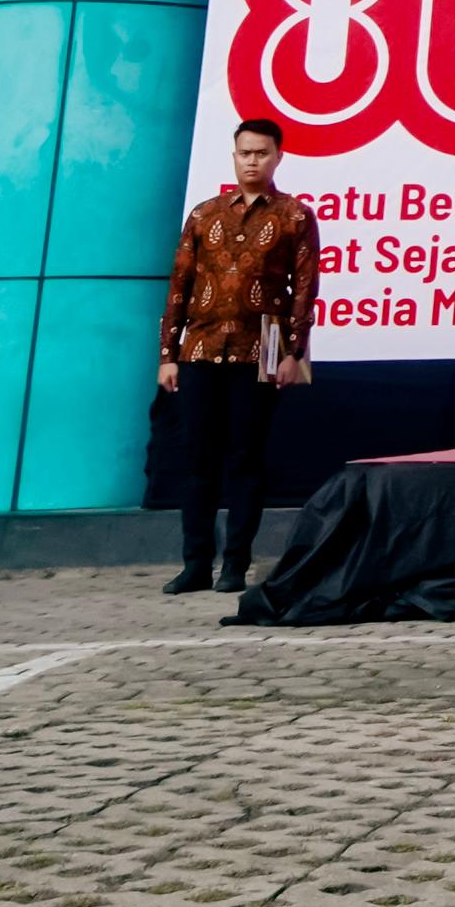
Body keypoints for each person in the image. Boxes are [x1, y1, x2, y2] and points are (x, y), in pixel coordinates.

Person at [157, 116, 317, 597]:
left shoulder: (293, 215)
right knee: (197, 461)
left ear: (278, 156)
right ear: (233, 155)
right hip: (200, 350)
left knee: (245, 460)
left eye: (262, 153)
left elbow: (304, 291)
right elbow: (179, 286)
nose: (253, 160)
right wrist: (168, 354)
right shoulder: (204, 214)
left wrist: (294, 353)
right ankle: (194, 564)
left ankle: (235, 566)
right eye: (245, 152)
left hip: (259, 355)